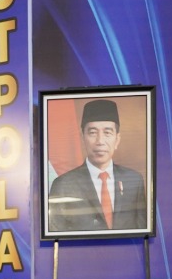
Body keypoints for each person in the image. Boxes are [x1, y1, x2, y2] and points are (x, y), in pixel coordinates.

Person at [46, 99, 148, 233]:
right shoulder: (63, 185)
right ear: (83, 138)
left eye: (107, 133)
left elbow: (143, 234)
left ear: (117, 140)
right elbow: (56, 236)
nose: (100, 141)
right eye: (93, 133)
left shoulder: (134, 181)